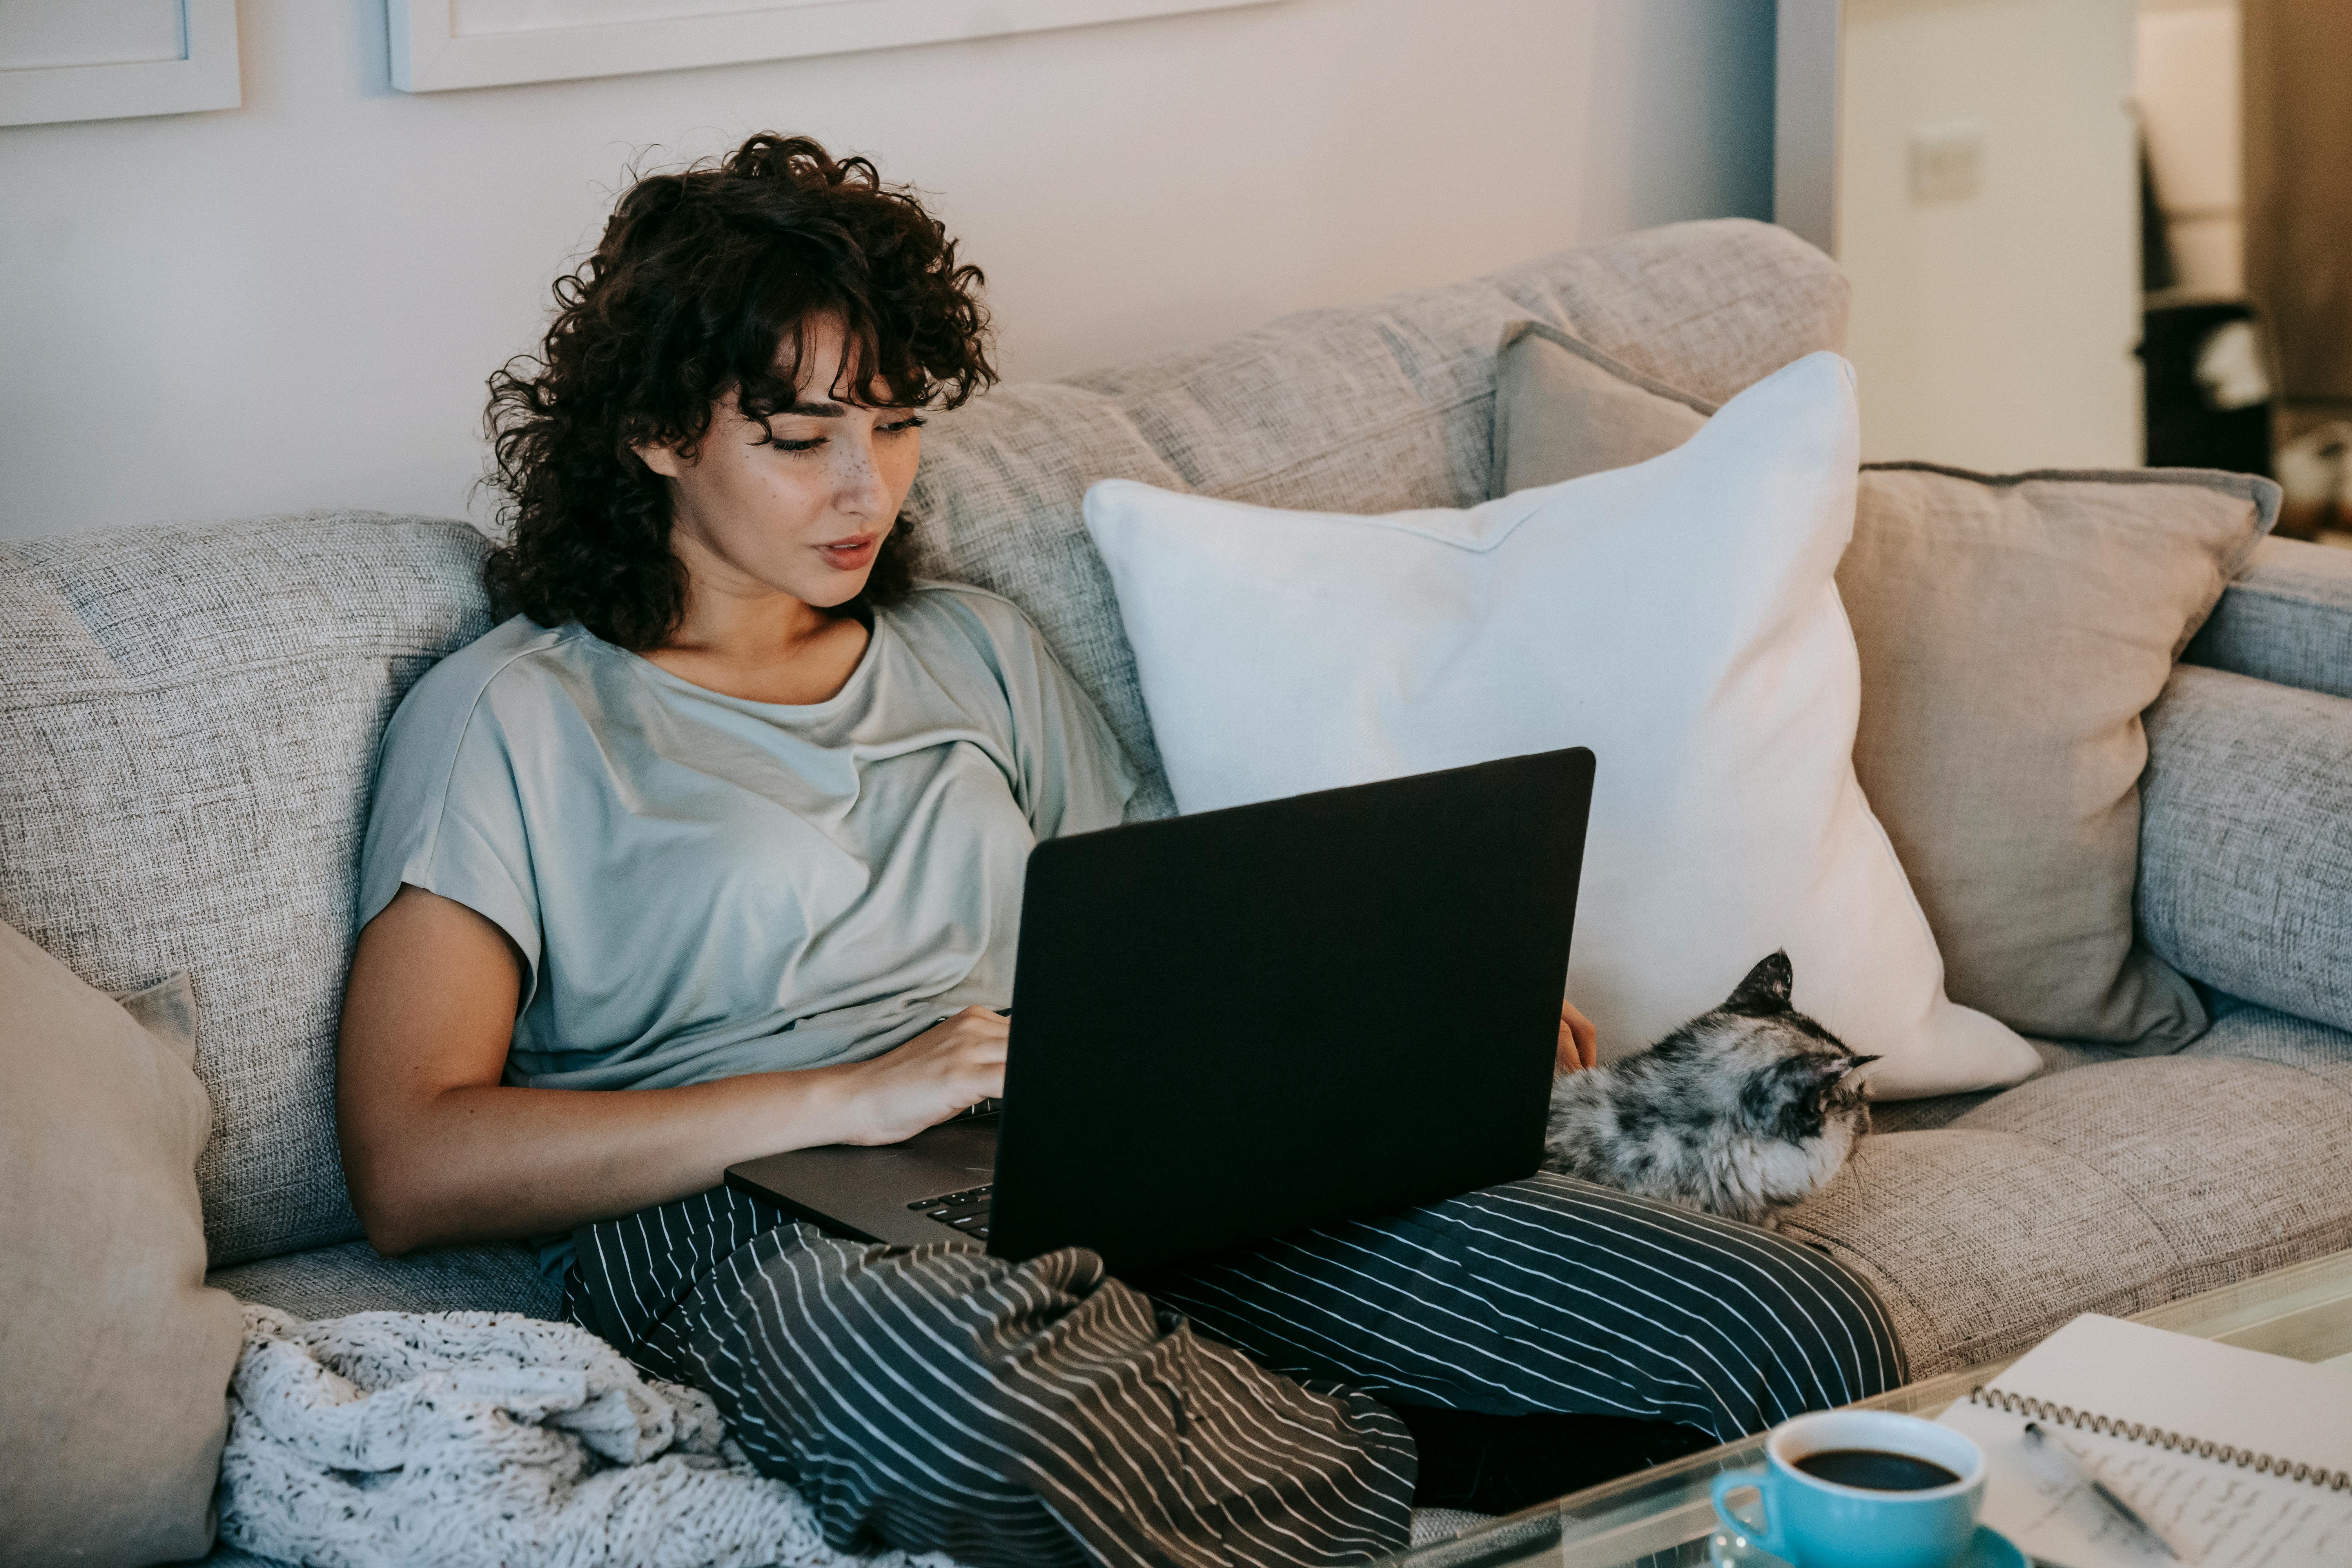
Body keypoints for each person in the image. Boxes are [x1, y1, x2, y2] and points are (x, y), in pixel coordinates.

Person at [338, 134, 1904, 1568]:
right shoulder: (517, 715)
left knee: (1795, 1331)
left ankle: (1255, 1435)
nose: (865, 488)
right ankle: (1430, 1461)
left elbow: (1184, 944)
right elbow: (412, 1161)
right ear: (657, 433)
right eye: (802, 436)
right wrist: (844, 1096)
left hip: (1100, 1151)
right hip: (750, 1208)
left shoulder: (975, 647)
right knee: (978, 1414)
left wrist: (1416, 1022)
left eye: (893, 428)